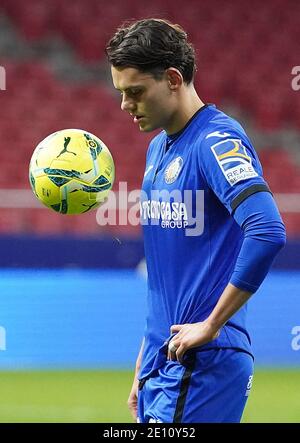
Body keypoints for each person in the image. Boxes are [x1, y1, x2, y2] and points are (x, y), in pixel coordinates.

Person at [106, 18, 286, 423]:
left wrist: (211, 324)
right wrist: (146, 354)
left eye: (135, 92)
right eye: (120, 93)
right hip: (164, 358)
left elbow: (267, 230)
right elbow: (171, 274)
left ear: (172, 78)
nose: (124, 105)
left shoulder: (216, 141)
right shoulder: (157, 151)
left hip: (203, 363)